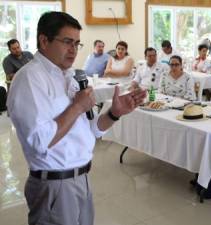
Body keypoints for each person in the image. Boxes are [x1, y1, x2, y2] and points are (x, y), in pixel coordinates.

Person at [6, 11, 147, 225]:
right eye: (67, 42)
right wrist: (77, 107)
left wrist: (114, 113)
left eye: (77, 43)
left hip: (81, 178)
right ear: (44, 41)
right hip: (54, 185)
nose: (73, 50)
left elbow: (90, 130)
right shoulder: (29, 79)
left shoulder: (68, 76)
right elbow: (39, 142)